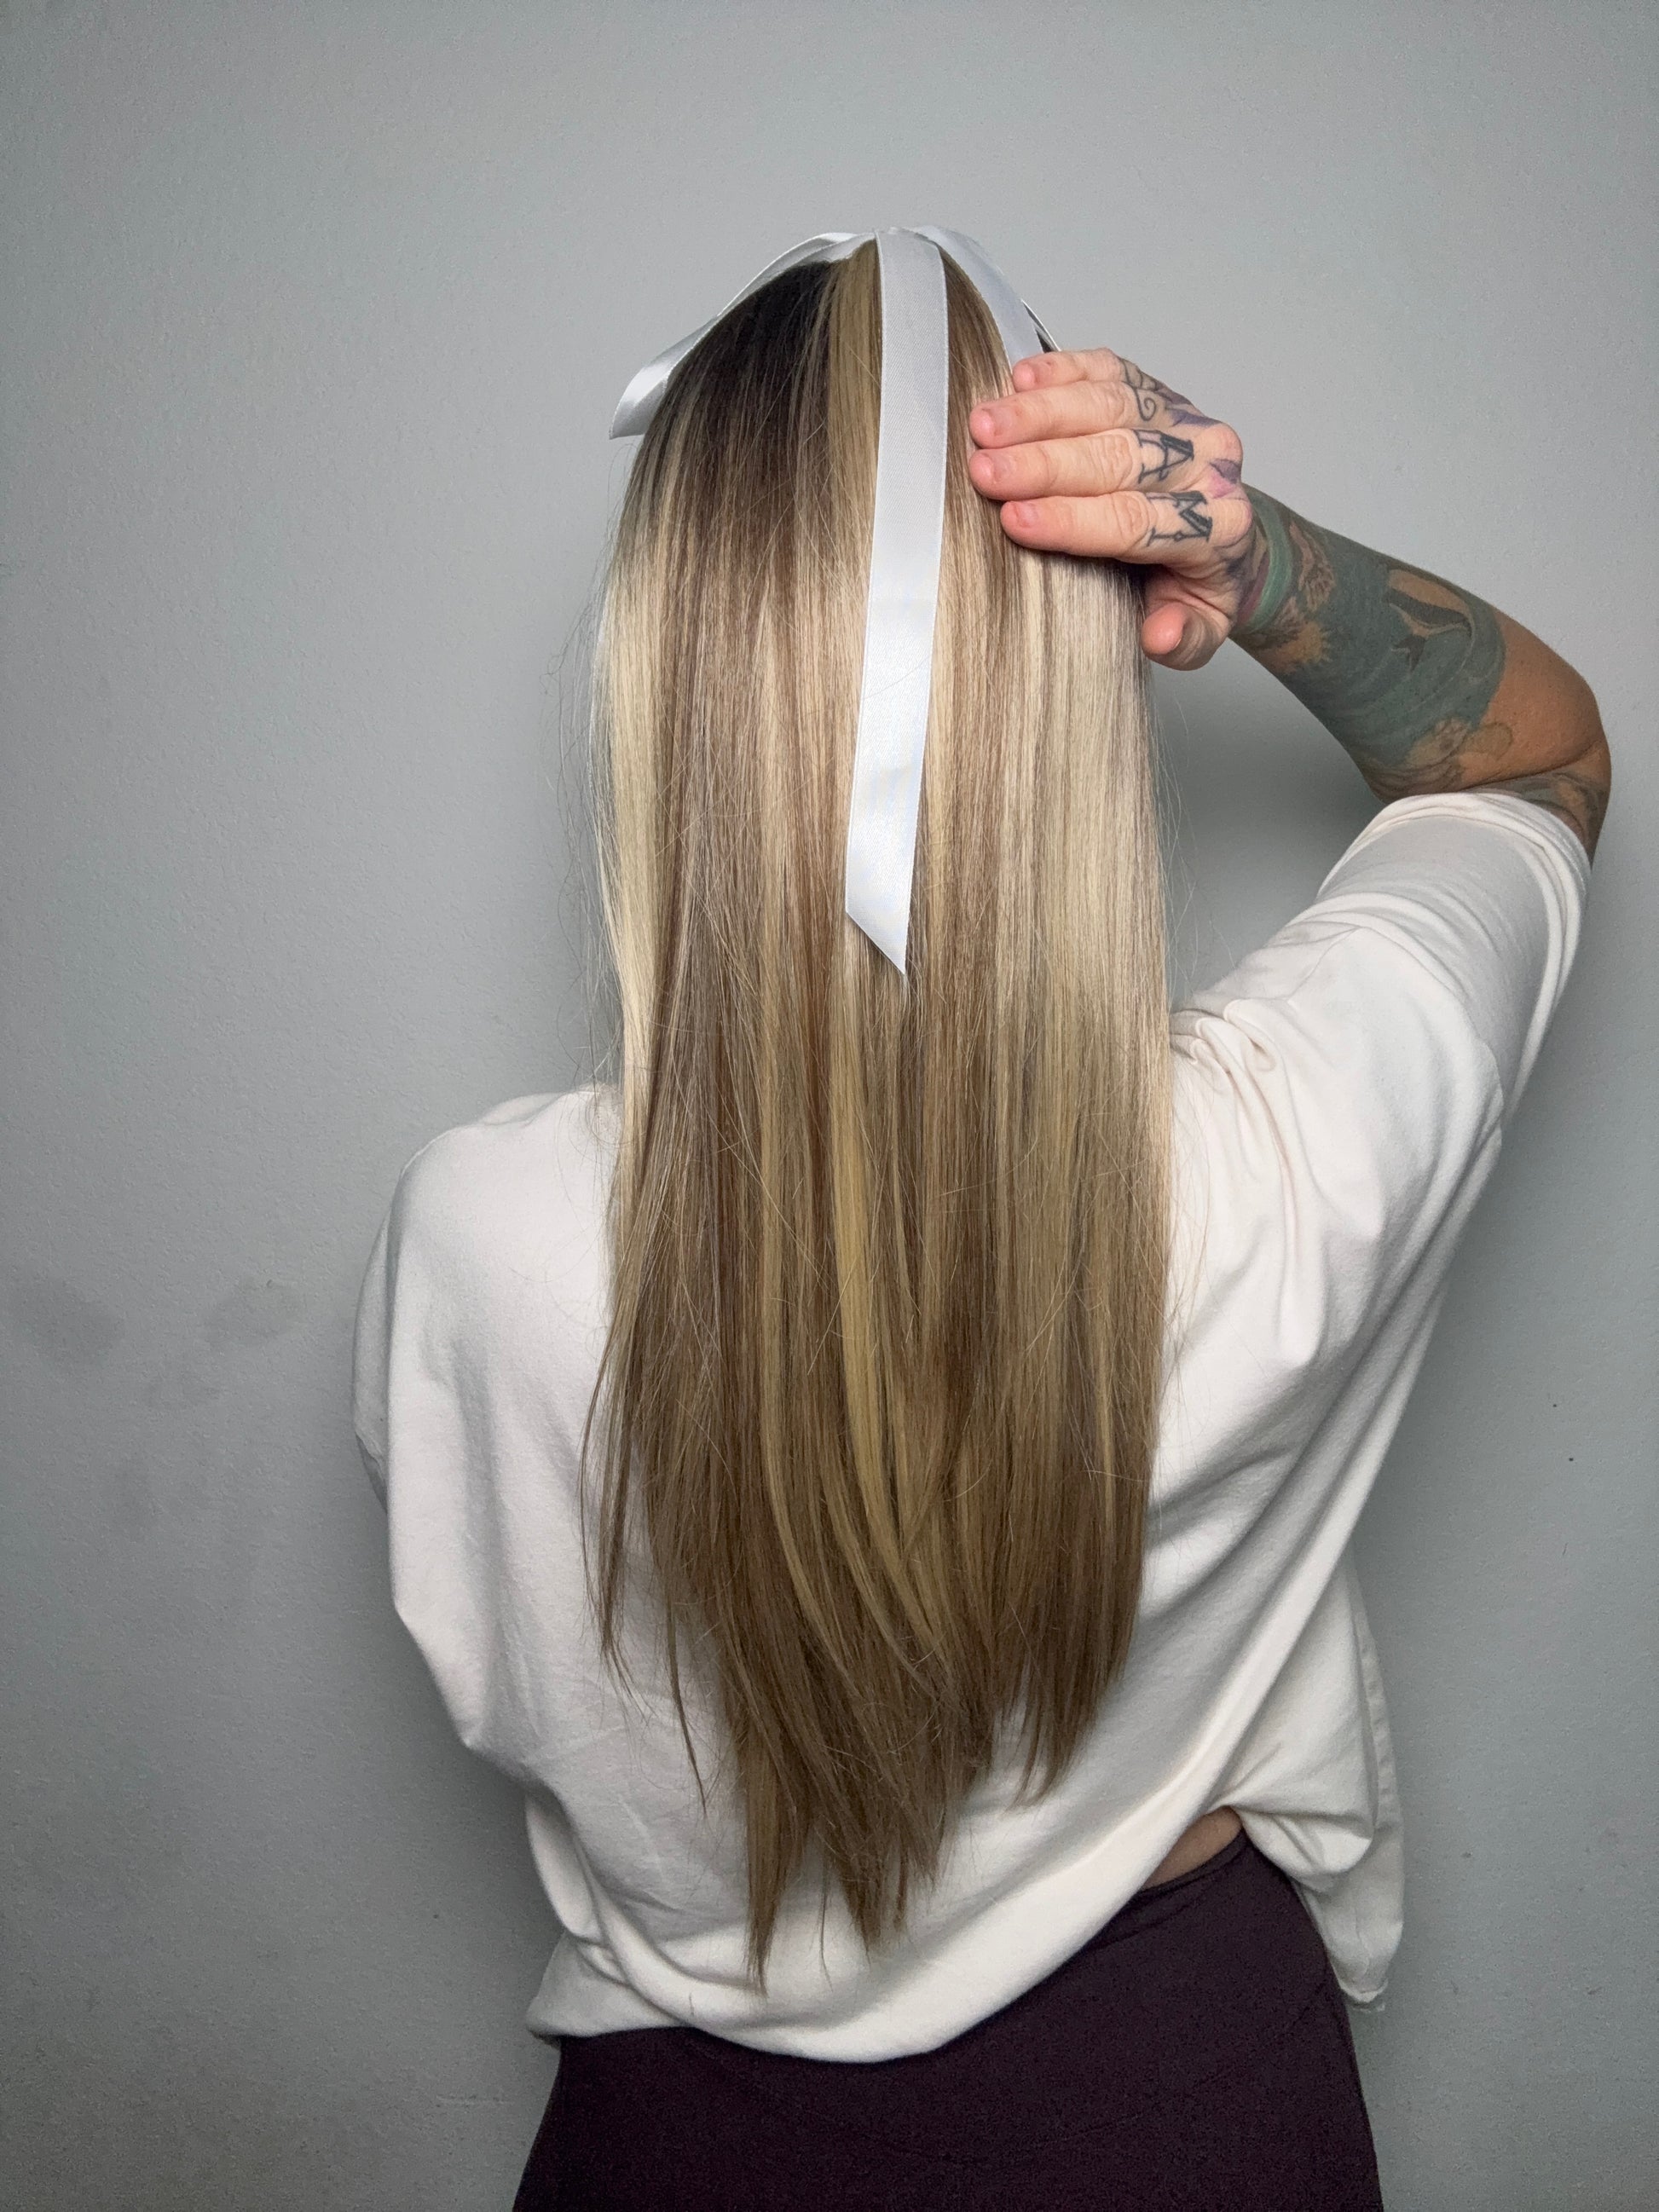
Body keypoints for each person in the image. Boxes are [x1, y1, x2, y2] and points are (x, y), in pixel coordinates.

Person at [351, 239, 1608, 2209]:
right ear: (1064, 666)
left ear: (675, 661)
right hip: (1187, 2104)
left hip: (684, 2137)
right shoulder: (1292, 1146)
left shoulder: (479, 1237)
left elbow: (516, 1677)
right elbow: (1537, 761)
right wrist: (1254, 554)